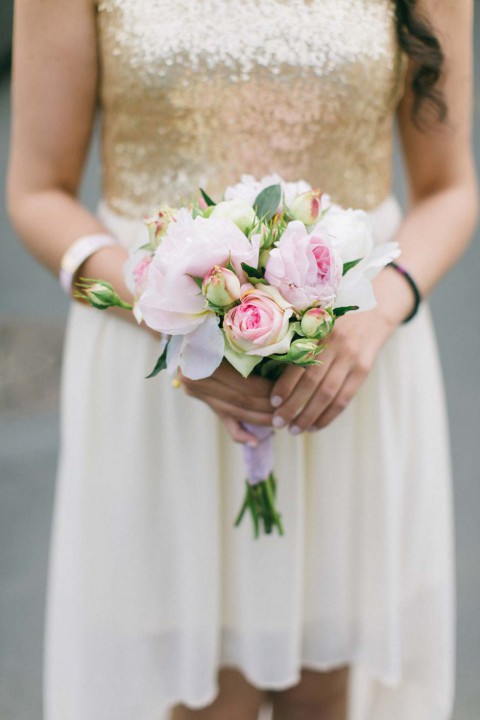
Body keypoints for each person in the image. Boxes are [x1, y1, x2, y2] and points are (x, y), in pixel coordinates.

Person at [6, 0, 478, 719]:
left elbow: (450, 188)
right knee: (197, 698)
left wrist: (379, 308)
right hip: (162, 378)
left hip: (349, 363)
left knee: (329, 690)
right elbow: (37, 192)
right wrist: (174, 314)